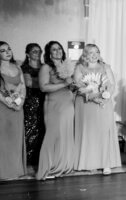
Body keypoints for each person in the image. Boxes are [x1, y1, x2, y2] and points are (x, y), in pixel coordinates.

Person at [73, 44, 121, 174]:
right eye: (90, 52)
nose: (94, 55)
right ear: (85, 55)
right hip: (86, 103)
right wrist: (94, 97)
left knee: (103, 132)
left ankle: (106, 163)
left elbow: (112, 85)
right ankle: (88, 162)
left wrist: (105, 96)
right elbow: (79, 86)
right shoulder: (79, 68)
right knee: (88, 132)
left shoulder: (105, 67)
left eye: (96, 52)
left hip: (103, 103)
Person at [35, 41, 75, 180]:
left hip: (68, 103)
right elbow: (43, 87)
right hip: (54, 104)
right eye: (54, 49)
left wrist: (74, 85)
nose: (57, 51)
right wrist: (64, 83)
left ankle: (63, 166)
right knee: (52, 135)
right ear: (49, 53)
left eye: (59, 49)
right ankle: (47, 168)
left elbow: (70, 87)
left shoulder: (67, 66)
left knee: (66, 134)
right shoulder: (46, 67)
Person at [0, 41, 27, 180]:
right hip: (3, 108)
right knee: (3, 138)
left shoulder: (17, 67)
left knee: (16, 137)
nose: (7, 52)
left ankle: (16, 170)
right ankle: (4, 172)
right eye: (3, 50)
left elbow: (22, 86)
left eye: (9, 49)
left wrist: (20, 102)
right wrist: (9, 103)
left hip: (18, 107)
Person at [21, 43, 46, 166]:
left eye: (39, 51)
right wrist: (44, 83)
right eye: (34, 51)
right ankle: (29, 162)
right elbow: (29, 83)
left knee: (43, 129)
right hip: (31, 102)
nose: (37, 53)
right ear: (28, 54)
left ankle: (40, 160)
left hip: (45, 100)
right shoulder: (25, 68)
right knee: (30, 130)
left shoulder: (44, 66)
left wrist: (43, 83)